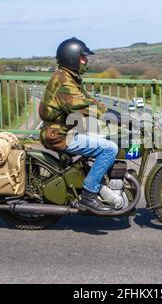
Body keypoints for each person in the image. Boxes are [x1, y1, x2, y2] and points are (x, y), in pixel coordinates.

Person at [39, 37, 118, 212]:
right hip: (60, 135)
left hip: (65, 131)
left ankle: (99, 182)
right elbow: (80, 104)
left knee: (105, 137)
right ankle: (89, 195)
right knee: (109, 148)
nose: (86, 60)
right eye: (83, 57)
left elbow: (87, 99)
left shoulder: (68, 77)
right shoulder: (64, 82)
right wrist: (107, 115)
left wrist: (111, 112)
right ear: (72, 57)